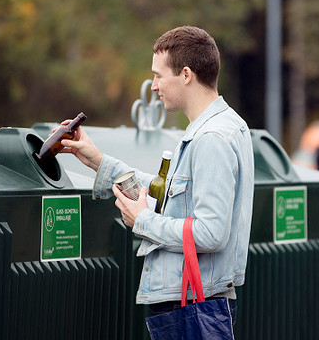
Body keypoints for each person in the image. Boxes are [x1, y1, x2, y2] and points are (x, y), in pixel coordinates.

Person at [60, 26, 255, 322]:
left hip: (192, 305)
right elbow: (170, 192)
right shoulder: (220, 128)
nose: (153, 86)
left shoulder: (211, 138)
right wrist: (98, 161)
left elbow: (211, 234)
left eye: (158, 75)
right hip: (195, 300)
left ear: (186, 75)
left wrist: (143, 221)